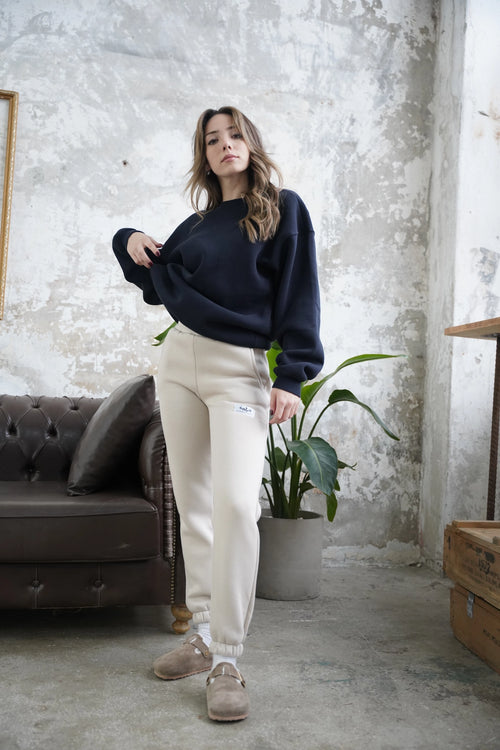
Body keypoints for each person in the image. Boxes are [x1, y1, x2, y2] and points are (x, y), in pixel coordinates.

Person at [112, 105, 324, 722]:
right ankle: (202, 634)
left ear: (250, 143)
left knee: (235, 505)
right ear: (204, 156)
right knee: (196, 503)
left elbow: (301, 294)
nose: (224, 144)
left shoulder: (283, 209)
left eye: (234, 134)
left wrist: (292, 376)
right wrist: (126, 238)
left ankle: (228, 658)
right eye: (212, 139)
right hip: (179, 361)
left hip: (238, 368)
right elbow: (155, 278)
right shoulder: (197, 225)